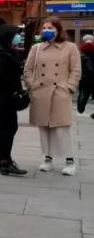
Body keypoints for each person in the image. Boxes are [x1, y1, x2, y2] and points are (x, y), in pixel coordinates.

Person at [24, 17, 81, 176]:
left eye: (50, 27)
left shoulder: (70, 47)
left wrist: (69, 87)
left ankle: (69, 161)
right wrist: (32, 85)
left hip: (60, 92)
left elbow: (75, 70)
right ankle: (47, 159)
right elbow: (27, 69)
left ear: (58, 29)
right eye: (44, 28)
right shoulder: (36, 48)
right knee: (44, 127)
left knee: (61, 127)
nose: (47, 30)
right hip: (40, 92)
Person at [0, 25, 27, 176]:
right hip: (3, 98)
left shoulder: (5, 50)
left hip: (1, 97)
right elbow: (0, 73)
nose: (18, 37)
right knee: (8, 129)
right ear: (7, 36)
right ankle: (6, 162)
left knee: (3, 129)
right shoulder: (1, 52)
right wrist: (16, 89)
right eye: (16, 34)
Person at [78, 35, 94, 116]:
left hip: (84, 77)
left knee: (84, 94)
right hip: (92, 77)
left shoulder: (82, 54)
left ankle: (80, 108)